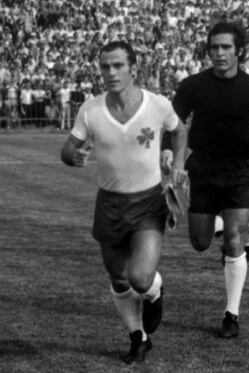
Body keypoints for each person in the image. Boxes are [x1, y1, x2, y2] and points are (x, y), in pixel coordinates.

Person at [60, 41, 187, 364]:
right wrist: (73, 156)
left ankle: (155, 292)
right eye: (105, 66)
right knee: (118, 277)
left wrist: (178, 164)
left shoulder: (157, 104)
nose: (111, 72)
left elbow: (179, 130)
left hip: (148, 203)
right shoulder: (91, 109)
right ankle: (138, 337)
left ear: (134, 68)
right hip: (109, 204)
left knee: (140, 278)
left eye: (118, 65)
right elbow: (68, 148)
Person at [170, 20, 249, 339]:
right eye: (214, 47)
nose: (219, 53)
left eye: (226, 47)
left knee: (234, 236)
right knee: (200, 242)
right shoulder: (192, 85)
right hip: (202, 168)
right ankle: (217, 224)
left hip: (239, 169)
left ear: (239, 51)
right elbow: (172, 122)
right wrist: (168, 151)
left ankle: (231, 314)